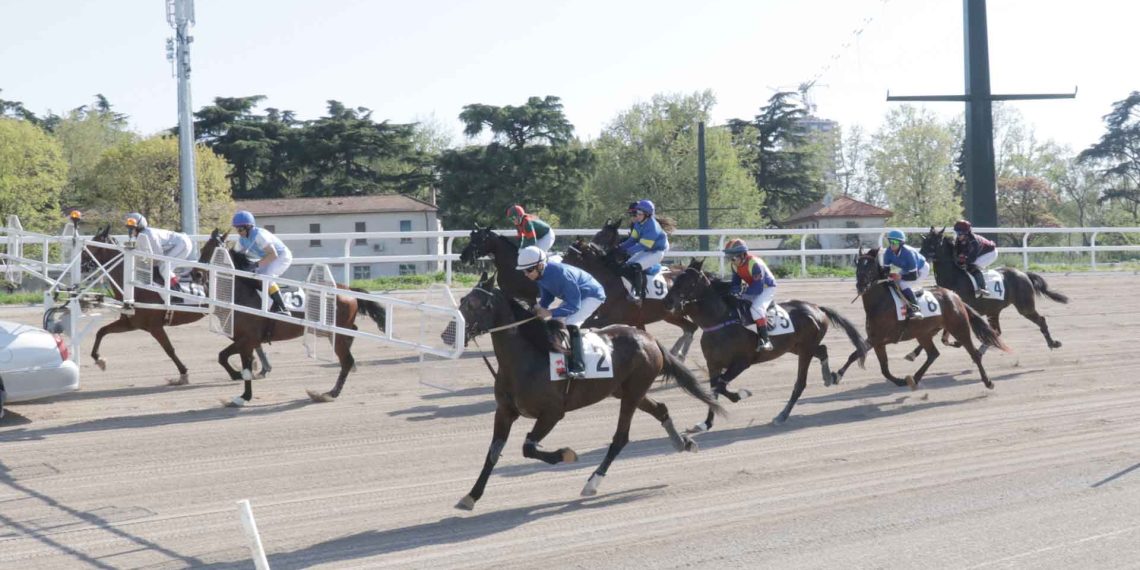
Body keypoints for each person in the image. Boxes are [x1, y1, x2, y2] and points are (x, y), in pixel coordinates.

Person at [517, 245, 607, 379]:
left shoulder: (562, 275)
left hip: (592, 295)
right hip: (575, 296)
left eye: (528, 270)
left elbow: (574, 306)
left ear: (540, 265)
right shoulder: (540, 276)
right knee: (554, 322)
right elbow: (547, 297)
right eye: (524, 271)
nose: (526, 274)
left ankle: (578, 367)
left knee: (571, 323)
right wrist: (538, 309)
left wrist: (550, 313)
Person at [231, 210, 293, 314]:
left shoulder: (260, 235)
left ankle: (283, 308)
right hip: (268, 258)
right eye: (237, 229)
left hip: (282, 256)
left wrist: (255, 264)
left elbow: (273, 255)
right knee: (256, 276)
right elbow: (234, 254)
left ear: (248, 227)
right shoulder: (242, 240)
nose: (239, 232)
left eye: (240, 229)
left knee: (266, 276)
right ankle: (269, 304)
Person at [724, 239, 777, 351]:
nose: (731, 261)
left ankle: (766, 340)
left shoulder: (755, 263)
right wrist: (733, 291)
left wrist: (743, 294)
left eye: (733, 258)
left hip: (767, 288)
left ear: (742, 255)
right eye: (729, 258)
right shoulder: (735, 265)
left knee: (756, 309)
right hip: (754, 286)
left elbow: (758, 288)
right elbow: (736, 282)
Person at [617, 199, 669, 302]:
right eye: (637, 212)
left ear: (647, 215)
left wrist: (626, 251)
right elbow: (632, 240)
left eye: (640, 213)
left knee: (636, 267)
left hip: (656, 252)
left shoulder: (653, 227)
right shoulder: (638, 224)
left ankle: (637, 294)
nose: (637, 215)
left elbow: (642, 246)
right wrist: (619, 247)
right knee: (626, 265)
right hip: (648, 250)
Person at [124, 213, 194, 288]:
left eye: (132, 228)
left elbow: (157, 257)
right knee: (162, 266)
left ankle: (177, 289)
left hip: (182, 243)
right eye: (130, 228)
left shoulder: (149, 235)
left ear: (138, 227)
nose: (130, 231)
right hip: (176, 245)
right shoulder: (141, 235)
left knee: (164, 267)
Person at [882, 229, 929, 320]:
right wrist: (888, 276)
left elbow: (913, 276)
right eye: (890, 241)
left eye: (895, 241)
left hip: (921, 269)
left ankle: (916, 309)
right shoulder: (888, 252)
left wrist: (900, 276)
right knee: (892, 282)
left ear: (901, 243)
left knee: (903, 284)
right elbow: (885, 270)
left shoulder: (908, 253)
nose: (892, 244)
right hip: (907, 270)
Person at [952, 219, 997, 298]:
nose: (958, 235)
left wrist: (963, 261)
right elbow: (957, 253)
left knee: (973, 266)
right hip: (980, 252)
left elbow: (971, 259)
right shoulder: (959, 240)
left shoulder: (974, 242)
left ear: (966, 233)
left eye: (959, 233)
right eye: (956, 233)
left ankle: (983, 287)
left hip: (990, 253)